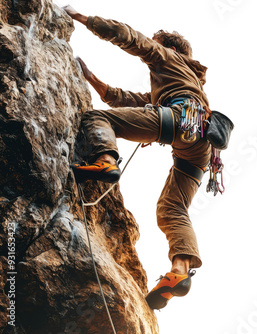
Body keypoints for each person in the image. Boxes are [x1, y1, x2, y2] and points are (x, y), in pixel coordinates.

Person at [63, 5, 211, 310]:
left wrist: (83, 19)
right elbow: (129, 100)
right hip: (202, 144)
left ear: (168, 47)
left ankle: (105, 161)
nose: (153, 50)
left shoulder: (168, 58)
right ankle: (179, 273)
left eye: (158, 43)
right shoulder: (184, 81)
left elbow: (131, 38)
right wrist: (90, 77)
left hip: (180, 119)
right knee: (173, 208)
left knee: (97, 118)